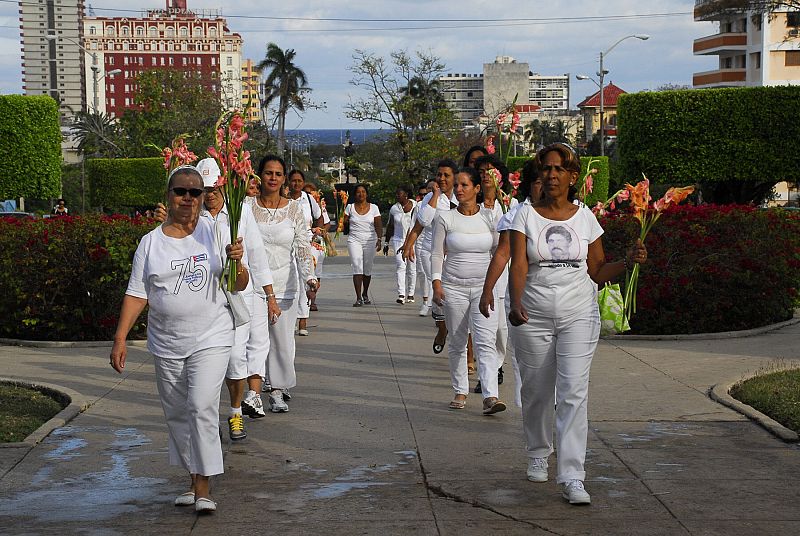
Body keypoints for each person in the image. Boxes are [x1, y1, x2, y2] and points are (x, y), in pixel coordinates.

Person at [508, 143, 647, 505]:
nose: (552, 175)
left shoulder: (585, 217)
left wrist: (629, 261)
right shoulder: (525, 215)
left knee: (572, 392)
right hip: (533, 313)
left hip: (578, 315)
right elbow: (519, 264)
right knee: (537, 389)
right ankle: (538, 450)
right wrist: (516, 301)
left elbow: (597, 270)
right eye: (546, 169)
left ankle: (572, 475)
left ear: (573, 177)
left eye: (559, 169)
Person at [110, 165, 248, 513]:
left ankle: (204, 488)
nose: (188, 198)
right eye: (180, 191)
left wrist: (239, 264)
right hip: (167, 342)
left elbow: (238, 284)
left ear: (203, 197)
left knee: (201, 405)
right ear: (168, 196)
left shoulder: (216, 232)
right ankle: (192, 478)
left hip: (212, 335)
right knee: (177, 413)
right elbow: (137, 293)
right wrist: (121, 337)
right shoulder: (150, 243)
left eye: (195, 192)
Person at [153, 159, 280, 441]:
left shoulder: (241, 212)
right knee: (205, 369)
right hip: (204, 301)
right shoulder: (190, 215)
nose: (209, 194)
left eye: (214, 188)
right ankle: (207, 418)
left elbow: (257, 257)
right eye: (204, 188)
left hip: (236, 298)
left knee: (236, 359)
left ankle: (235, 413)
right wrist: (164, 218)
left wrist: (270, 296)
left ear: (224, 185)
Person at [430, 167, 505, 414]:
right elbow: (437, 253)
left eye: (464, 185)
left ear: (476, 188)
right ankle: (460, 390)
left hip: (484, 290)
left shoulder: (489, 218)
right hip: (454, 288)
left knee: (486, 341)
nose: (459, 189)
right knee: (458, 341)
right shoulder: (445, 218)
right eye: (457, 185)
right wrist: (437, 283)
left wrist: (493, 285)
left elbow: (498, 252)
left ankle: (490, 396)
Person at [247, 155, 318, 413]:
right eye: (268, 173)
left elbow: (301, 246)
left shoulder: (294, 209)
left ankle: (277, 390)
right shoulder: (246, 206)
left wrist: (309, 277)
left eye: (278, 174)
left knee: (282, 341)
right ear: (259, 175)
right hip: (253, 285)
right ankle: (253, 391)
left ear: (283, 178)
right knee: (255, 339)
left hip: (285, 283)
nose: (273, 178)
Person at [479, 160, 543, 409]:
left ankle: (556, 399)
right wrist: (487, 290)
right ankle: (526, 401)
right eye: (538, 182)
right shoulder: (517, 213)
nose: (547, 185)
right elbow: (504, 254)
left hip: (565, 300)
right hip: (523, 294)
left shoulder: (575, 211)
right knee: (522, 352)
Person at [402, 160, 459, 353]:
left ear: (455, 178)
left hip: (458, 253)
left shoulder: (463, 195)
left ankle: (461, 338)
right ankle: (443, 329)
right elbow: (422, 222)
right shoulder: (430, 198)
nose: (442, 178)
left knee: (456, 296)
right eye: (439, 174)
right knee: (440, 292)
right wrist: (408, 245)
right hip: (432, 252)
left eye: (446, 175)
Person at [287, 170, 323, 336]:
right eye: (293, 181)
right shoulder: (283, 198)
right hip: (287, 244)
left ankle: (303, 321)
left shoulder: (308, 199)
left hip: (306, 243)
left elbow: (320, 217)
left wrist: (317, 231)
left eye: (299, 181)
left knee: (304, 281)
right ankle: (290, 319)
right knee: (290, 281)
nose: (296, 184)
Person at [343, 183, 382, 306]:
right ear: (355, 195)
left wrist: (379, 239)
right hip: (354, 240)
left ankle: (365, 293)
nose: (361, 194)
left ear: (367, 194)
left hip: (370, 241)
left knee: (367, 269)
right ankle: (358, 297)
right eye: (358, 192)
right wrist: (343, 219)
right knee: (357, 266)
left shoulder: (374, 208)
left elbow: (378, 225)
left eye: (363, 192)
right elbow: (343, 222)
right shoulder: (349, 207)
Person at [385, 185, 417, 304]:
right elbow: (390, 226)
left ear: (406, 195)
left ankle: (411, 294)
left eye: (400, 194)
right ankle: (401, 294)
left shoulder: (416, 206)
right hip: (398, 240)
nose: (397, 196)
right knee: (400, 265)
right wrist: (386, 242)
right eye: (396, 194)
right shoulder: (394, 209)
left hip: (413, 240)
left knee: (412, 267)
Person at [303, 182, 330, 312]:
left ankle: (312, 300)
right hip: (302, 241)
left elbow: (326, 223)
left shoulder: (319, 205)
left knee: (315, 271)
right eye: (306, 192)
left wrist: (319, 230)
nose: (308, 194)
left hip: (317, 243)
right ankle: (304, 299)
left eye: (310, 192)